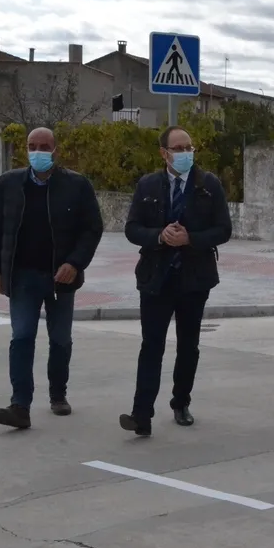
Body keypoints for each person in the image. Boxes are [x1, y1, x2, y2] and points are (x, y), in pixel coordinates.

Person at [0, 127, 103, 429]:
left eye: (44, 146)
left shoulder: (76, 185)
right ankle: (20, 405)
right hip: (22, 276)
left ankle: (58, 394)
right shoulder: (9, 183)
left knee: (60, 339)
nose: (38, 151)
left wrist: (75, 263)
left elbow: (92, 229)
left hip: (60, 278)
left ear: (56, 150)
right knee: (22, 336)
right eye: (32, 146)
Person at [118, 125, 232, 437]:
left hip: (194, 279)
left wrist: (189, 239)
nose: (184, 153)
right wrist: (159, 236)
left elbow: (223, 230)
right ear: (164, 153)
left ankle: (181, 402)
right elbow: (131, 228)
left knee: (188, 346)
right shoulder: (148, 185)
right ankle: (141, 413)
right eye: (178, 148)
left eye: (189, 147)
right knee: (151, 345)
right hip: (156, 277)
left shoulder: (208, 185)